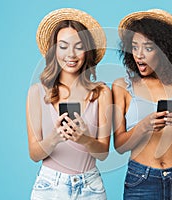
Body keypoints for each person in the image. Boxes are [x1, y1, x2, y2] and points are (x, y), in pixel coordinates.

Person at [112, 9, 172, 199]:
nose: (139, 55)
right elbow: (120, 146)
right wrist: (143, 127)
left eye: (148, 48)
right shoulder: (122, 86)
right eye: (135, 47)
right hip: (140, 180)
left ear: (165, 50)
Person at [26, 8, 112, 200]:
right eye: (63, 46)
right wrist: (55, 138)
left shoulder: (102, 93)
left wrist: (85, 139)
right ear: (54, 49)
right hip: (49, 186)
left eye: (79, 46)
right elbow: (34, 154)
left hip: (91, 187)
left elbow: (103, 153)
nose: (71, 54)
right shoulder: (36, 92)